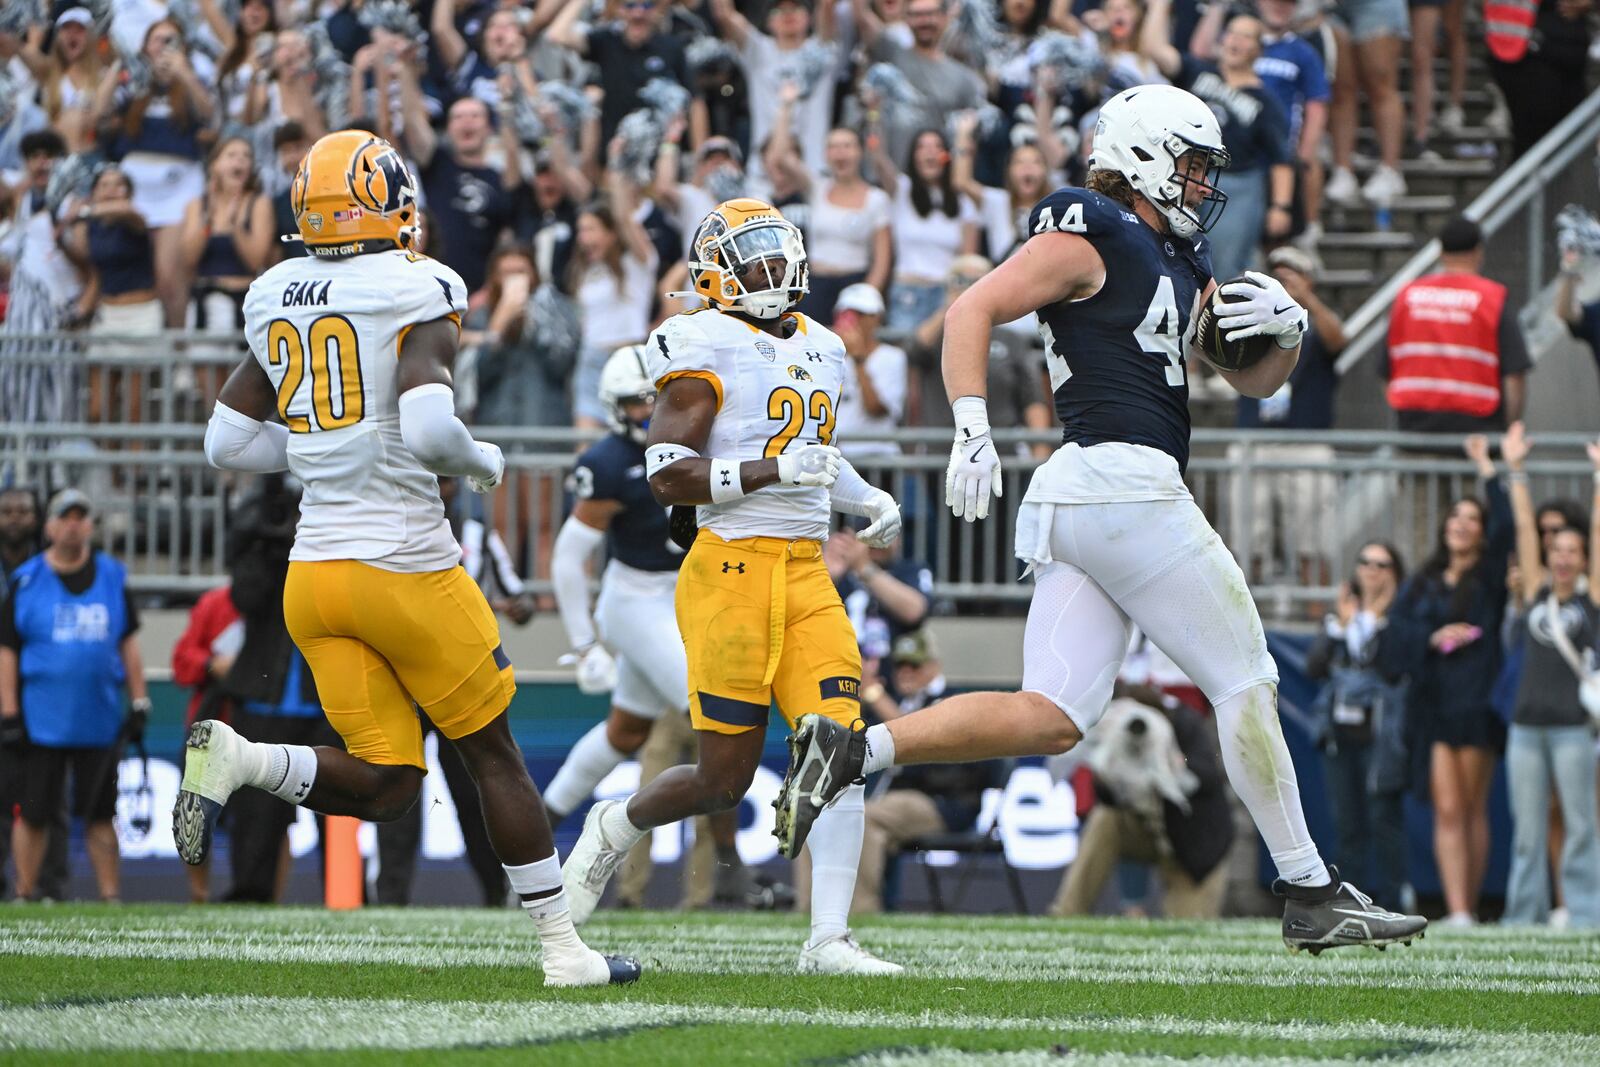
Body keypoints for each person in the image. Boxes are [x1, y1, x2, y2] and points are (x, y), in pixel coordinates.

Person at [774, 85, 1427, 954]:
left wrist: (1288, 329)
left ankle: (854, 750)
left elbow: (1254, 378)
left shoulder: (1176, 261)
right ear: (1146, 157)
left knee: (1052, 715)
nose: (1201, 187)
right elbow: (973, 308)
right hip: (1124, 480)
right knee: (1246, 679)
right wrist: (973, 425)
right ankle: (1310, 887)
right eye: (1191, 167)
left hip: (1087, 499)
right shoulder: (1093, 230)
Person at [184, 129, 636, 986]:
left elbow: (227, 441)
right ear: (386, 202)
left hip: (314, 579)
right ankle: (562, 950)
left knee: (391, 782)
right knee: (493, 752)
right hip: (405, 565)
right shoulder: (417, 285)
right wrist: (480, 461)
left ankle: (241, 759)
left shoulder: (279, 291)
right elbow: (430, 429)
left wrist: (328, 445)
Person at [560, 197, 906, 974]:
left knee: (837, 745)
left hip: (807, 567)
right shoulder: (701, 342)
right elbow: (667, 476)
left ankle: (829, 940)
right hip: (730, 566)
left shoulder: (823, 344)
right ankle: (618, 822)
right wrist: (778, 470)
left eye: (779, 254)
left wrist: (868, 497)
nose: (775, 272)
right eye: (756, 259)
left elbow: (814, 451)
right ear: (717, 275)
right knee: (725, 778)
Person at [543, 345, 748, 902]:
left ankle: (544, 818)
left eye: (655, 401)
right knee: (714, 716)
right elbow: (567, 557)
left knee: (626, 731)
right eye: (637, 405)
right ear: (614, 409)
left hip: (683, 594)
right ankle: (728, 866)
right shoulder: (609, 463)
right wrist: (585, 645)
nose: (649, 414)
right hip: (634, 600)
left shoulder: (699, 441)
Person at [1385, 433, 1513, 926]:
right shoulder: (1422, 580)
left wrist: (1488, 472)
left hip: (1477, 701)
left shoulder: (1490, 580)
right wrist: (1433, 637)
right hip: (1435, 705)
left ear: (1480, 532)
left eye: (1471, 520)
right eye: (1455, 518)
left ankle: (1470, 907)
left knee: (1473, 806)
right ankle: (1457, 908)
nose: (1461, 526)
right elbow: (1396, 640)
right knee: (1447, 807)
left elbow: (1506, 532)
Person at [0, 489, 150, 903]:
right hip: (41, 719)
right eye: (65, 516)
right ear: (49, 527)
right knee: (32, 813)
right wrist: (8, 712)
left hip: (97, 717)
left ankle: (109, 895)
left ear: (90, 526)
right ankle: (25, 891)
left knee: (102, 814)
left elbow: (129, 645)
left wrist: (139, 700)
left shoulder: (112, 576)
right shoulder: (27, 580)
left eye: (81, 517)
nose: (73, 524)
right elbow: (7, 651)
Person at [796, 628, 1004, 914]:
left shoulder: (950, 700)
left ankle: (863, 912)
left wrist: (874, 693)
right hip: (895, 805)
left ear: (934, 666)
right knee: (819, 816)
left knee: (864, 818)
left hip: (943, 802)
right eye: (900, 665)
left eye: (915, 665)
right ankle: (809, 911)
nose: (906, 672)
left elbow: (919, 737)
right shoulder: (899, 700)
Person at [1499, 423, 1600, 928]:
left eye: (1571, 552)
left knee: (1581, 825)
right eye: (1555, 550)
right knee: (1527, 831)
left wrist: (1599, 480)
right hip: (1525, 724)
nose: (1561, 558)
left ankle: (1584, 915)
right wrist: (1515, 470)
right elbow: (1523, 529)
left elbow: (1599, 533)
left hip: (1571, 726)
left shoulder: (1591, 600)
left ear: (1583, 560)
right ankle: (1523, 915)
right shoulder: (1537, 589)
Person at [1142, 1, 1293, 286]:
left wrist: (1280, 206)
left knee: (1223, 265)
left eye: (1246, 36)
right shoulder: (1199, 72)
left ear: (1259, 49)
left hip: (1237, 187)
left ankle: (1216, 325)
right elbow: (1156, 51)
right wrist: (1159, 8)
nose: (1236, 40)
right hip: (1182, 176)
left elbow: (1280, 159)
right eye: (1232, 32)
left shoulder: (1265, 101)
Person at [1049, 694, 1235, 918]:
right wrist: (1108, 774)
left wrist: (1172, 768)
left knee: (1192, 930)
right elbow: (1108, 797)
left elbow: (1208, 777)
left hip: (1192, 844)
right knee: (1105, 818)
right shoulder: (1115, 732)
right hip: (1144, 828)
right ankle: (1067, 912)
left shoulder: (1184, 724)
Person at [1308, 541, 1412, 912]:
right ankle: (1348, 904)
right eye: (1365, 562)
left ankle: (1391, 900)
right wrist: (1345, 627)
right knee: (1347, 822)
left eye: (1382, 564)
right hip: (1340, 735)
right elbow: (1315, 668)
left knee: (1384, 818)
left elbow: (1394, 666)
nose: (1372, 570)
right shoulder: (1340, 618)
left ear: (1395, 573)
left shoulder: (1400, 618)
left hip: (1381, 735)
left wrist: (1372, 625)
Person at [1384, 216, 1530, 438]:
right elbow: (1514, 376)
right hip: (1477, 439)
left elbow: (1386, 369)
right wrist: (1509, 430)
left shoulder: (1407, 296)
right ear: (1478, 252)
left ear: (1441, 252)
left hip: (1414, 436)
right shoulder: (1491, 298)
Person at [0, 486, 68, 903]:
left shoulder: (55, 566)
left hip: (44, 695)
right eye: (6, 510)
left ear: (38, 517)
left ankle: (50, 887)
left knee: (49, 796)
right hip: (6, 696)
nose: (15, 518)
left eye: (24, 510)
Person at [904, 255, 1051, 442]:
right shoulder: (936, 335)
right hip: (942, 453)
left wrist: (1040, 447)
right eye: (961, 280)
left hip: (1001, 451)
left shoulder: (1010, 339)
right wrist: (953, 307)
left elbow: (1032, 397)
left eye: (979, 281)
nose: (969, 287)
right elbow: (914, 352)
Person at [58, 165, 161, 423]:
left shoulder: (134, 219)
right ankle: (109, 464)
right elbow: (91, 271)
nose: (111, 191)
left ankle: (135, 465)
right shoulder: (92, 229)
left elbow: (126, 211)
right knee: (97, 409)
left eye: (118, 184)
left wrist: (81, 211)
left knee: (134, 410)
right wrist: (61, 239)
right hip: (107, 314)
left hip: (140, 315)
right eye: (104, 185)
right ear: (94, 191)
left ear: (128, 191)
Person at [868, 125, 981, 339]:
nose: (930, 152)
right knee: (905, 359)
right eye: (922, 147)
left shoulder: (963, 203)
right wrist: (874, 117)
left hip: (947, 296)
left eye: (937, 147)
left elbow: (968, 262)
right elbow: (878, 158)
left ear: (947, 156)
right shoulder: (901, 190)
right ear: (913, 156)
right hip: (907, 292)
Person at [852, 0, 986, 167]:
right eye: (917, 15)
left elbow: (975, 130)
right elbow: (862, 18)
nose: (924, 21)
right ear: (906, 19)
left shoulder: (964, 78)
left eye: (930, 14)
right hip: (889, 174)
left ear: (945, 18)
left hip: (936, 178)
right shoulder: (893, 53)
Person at [1321, 0, 1406, 209]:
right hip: (1329, 6)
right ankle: (1343, 170)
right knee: (1340, 88)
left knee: (1381, 84)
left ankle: (1390, 170)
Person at [830, 284, 907, 461]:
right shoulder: (828, 356)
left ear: (876, 318)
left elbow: (875, 409)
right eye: (846, 314)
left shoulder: (893, 357)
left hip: (879, 457)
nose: (851, 320)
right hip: (839, 458)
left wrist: (859, 359)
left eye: (860, 314)